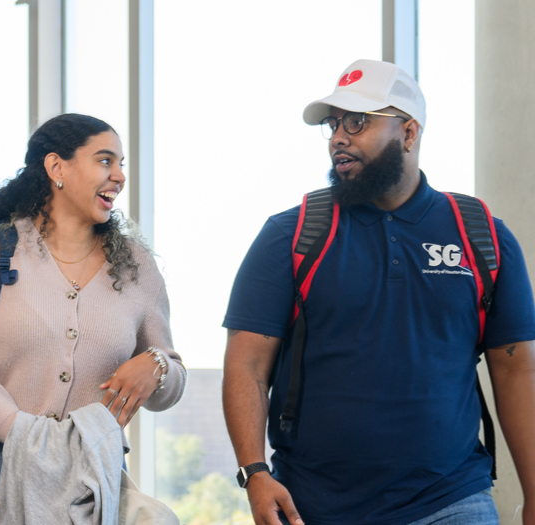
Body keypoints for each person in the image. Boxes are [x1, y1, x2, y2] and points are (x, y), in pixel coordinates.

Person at [221, 59, 535, 525]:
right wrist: (254, 472)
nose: (337, 138)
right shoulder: (291, 234)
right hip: (311, 505)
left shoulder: (482, 235)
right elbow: (246, 364)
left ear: (409, 132)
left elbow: (515, 370)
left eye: (357, 122)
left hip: (451, 501)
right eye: (332, 124)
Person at [0, 113, 184, 524]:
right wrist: (20, 432)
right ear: (56, 168)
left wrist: (156, 367)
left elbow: (170, 382)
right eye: (106, 161)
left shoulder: (137, 268)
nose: (119, 176)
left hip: (94, 481)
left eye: (122, 164)